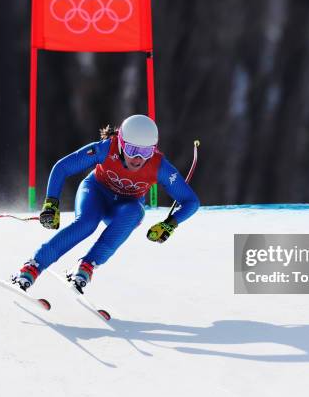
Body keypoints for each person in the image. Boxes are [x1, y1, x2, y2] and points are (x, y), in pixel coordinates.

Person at [12, 114, 200, 293]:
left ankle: (87, 265)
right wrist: (51, 203)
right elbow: (62, 168)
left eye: (146, 152)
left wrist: (169, 224)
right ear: (120, 143)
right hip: (95, 193)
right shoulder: (105, 148)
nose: (139, 159)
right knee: (87, 223)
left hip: (123, 208)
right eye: (132, 150)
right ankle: (33, 266)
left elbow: (191, 201)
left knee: (135, 212)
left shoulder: (159, 166)